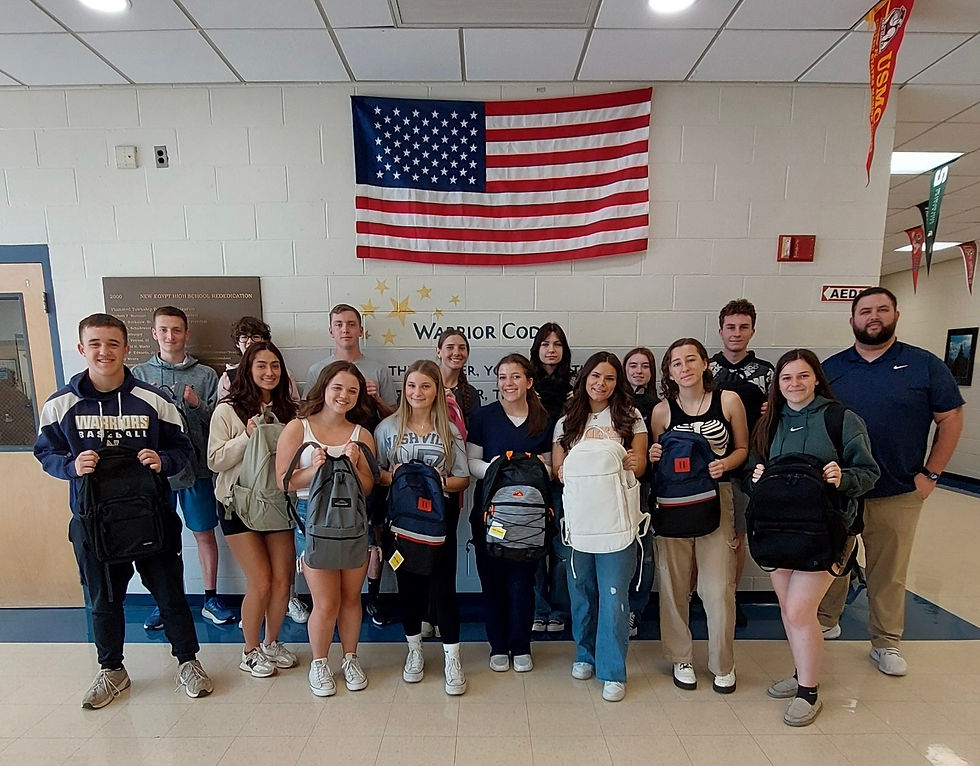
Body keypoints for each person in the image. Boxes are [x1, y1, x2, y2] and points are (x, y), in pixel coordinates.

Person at [34, 313, 213, 708]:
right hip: (94, 522)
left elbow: (183, 450)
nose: (104, 351)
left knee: (171, 595)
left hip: (151, 516)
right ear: (82, 349)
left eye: (113, 343)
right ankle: (112, 670)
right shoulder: (61, 403)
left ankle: (188, 662)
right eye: (95, 343)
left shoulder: (154, 400)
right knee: (103, 599)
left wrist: (161, 461)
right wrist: (70, 466)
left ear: (127, 348)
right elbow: (45, 452)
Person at [817, 287, 964, 676]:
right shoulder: (831, 369)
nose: (873, 317)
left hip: (897, 488)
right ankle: (825, 621)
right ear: (852, 320)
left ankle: (886, 642)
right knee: (834, 560)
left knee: (888, 570)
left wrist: (931, 474)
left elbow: (950, 419)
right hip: (842, 488)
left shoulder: (924, 365)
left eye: (882, 309)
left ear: (896, 315)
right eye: (865, 311)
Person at [748, 349, 879, 726]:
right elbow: (754, 470)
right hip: (779, 533)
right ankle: (800, 672)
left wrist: (845, 478)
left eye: (802, 376)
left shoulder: (841, 419)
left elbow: (869, 473)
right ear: (777, 384)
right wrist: (754, 477)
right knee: (790, 610)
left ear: (817, 379)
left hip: (825, 533)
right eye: (786, 378)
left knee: (799, 610)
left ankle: (809, 690)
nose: (794, 384)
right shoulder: (770, 422)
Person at [648, 338, 747, 694]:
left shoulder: (728, 401)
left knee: (718, 586)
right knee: (673, 582)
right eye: (676, 363)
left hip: (716, 499)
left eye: (691, 360)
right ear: (669, 371)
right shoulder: (662, 411)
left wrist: (726, 464)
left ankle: (723, 663)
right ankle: (681, 657)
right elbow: (655, 461)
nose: (684, 367)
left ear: (706, 363)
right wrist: (656, 454)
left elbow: (743, 449)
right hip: (673, 500)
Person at [275, 362, 377, 697]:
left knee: (351, 598)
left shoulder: (362, 435)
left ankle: (350, 658)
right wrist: (315, 469)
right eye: (338, 387)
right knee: (325, 601)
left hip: (353, 520)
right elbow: (285, 482)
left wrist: (357, 464)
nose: (344, 395)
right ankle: (319, 663)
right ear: (324, 387)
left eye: (352, 390)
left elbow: (367, 487)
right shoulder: (297, 428)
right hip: (313, 517)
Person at [131, 306, 235, 631]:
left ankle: (210, 599)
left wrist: (197, 405)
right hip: (156, 475)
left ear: (186, 334)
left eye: (176, 330)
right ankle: (165, 602)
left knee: (204, 534)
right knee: (160, 540)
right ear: (153, 333)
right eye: (163, 330)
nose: (170, 336)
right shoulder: (138, 375)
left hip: (197, 470)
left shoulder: (205, 376)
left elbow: (219, 424)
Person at [552, 351, 648, 702]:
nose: (601, 383)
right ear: (584, 378)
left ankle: (612, 670)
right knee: (582, 593)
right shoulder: (567, 420)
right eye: (595, 376)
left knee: (613, 597)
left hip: (618, 522)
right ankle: (585, 653)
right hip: (578, 523)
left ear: (617, 381)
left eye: (609, 378)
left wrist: (634, 461)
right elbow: (558, 469)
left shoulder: (631, 416)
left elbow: (637, 465)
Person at [374, 360, 470, 695]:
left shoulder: (450, 431)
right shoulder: (387, 428)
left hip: (438, 520)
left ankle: (452, 658)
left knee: (443, 587)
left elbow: (462, 479)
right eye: (412, 386)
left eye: (426, 386)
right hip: (401, 522)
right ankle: (414, 651)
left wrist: (433, 479)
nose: (418, 393)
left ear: (438, 391)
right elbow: (378, 475)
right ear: (405, 389)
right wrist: (401, 476)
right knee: (408, 585)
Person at [208, 341, 299, 679]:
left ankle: (271, 642)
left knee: (282, 580)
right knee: (259, 580)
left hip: (277, 504)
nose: (269, 372)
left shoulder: (290, 411)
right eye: (261, 365)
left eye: (275, 365)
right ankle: (249, 650)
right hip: (238, 504)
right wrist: (246, 437)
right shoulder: (228, 409)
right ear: (248, 368)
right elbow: (214, 460)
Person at [307, 304, 398, 627]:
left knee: (371, 531)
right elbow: (310, 414)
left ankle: (370, 598)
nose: (345, 329)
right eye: (338, 324)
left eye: (351, 324)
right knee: (325, 529)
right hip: (326, 472)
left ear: (361, 330)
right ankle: (324, 604)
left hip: (365, 462)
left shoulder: (379, 369)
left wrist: (376, 401)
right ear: (331, 330)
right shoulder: (318, 369)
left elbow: (393, 417)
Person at [466, 353, 552, 673]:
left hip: (530, 518)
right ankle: (498, 646)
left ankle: (521, 645)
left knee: (522, 582)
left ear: (529, 382)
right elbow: (471, 462)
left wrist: (529, 466)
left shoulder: (542, 417)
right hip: (490, 515)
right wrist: (499, 468)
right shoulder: (483, 416)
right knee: (493, 582)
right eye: (502, 377)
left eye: (515, 377)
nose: (508, 383)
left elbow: (550, 465)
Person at [708, 299, 775, 627]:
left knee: (736, 537)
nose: (736, 333)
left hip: (748, 466)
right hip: (709, 467)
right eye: (730, 327)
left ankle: (730, 599)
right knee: (702, 535)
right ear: (720, 330)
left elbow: (777, 418)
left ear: (752, 330)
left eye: (743, 327)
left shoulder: (767, 373)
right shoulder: (706, 369)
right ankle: (700, 597)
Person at [528, 322, 574, 633]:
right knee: (530, 543)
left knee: (561, 545)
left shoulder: (576, 385)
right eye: (545, 344)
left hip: (565, 476)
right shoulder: (526, 384)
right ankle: (536, 608)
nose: (551, 350)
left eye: (557, 344)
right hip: (531, 472)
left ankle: (558, 607)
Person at [622, 347, 659, 638]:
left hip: (647, 490)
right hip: (613, 489)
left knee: (643, 553)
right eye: (632, 365)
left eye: (645, 366)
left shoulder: (660, 406)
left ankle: (635, 610)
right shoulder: (614, 406)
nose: (638, 371)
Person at [216, 316, 300, 404]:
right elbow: (223, 410)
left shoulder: (284, 374)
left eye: (255, 336)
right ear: (237, 343)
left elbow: (295, 406)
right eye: (244, 337)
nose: (249, 341)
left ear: (264, 340)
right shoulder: (228, 378)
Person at [436, 328, 481, 426]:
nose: (456, 353)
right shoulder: (423, 385)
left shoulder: (471, 394)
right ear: (438, 351)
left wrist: (455, 409)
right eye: (450, 347)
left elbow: (473, 435)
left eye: (462, 348)